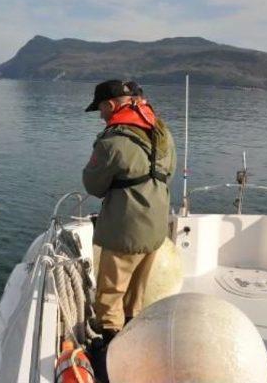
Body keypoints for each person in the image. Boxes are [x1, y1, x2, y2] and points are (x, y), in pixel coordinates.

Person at [82, 80, 177, 345]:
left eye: (100, 109)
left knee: (110, 295)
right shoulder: (162, 132)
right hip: (156, 225)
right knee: (136, 294)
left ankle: (112, 347)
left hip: (125, 229)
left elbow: (94, 186)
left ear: (111, 105)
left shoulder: (111, 142)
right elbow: (167, 174)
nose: (100, 115)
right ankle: (134, 335)